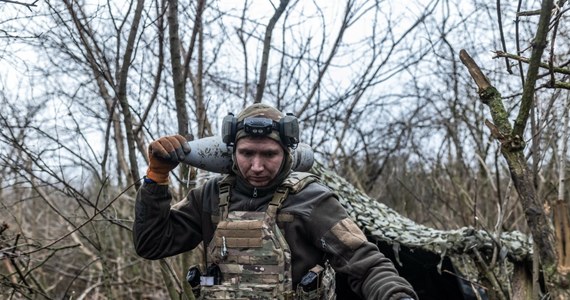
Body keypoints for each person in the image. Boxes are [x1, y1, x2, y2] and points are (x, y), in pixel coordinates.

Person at [133, 103, 418, 300]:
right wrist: (156, 178)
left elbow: (365, 263)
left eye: (269, 154)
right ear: (232, 152)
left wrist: (396, 295)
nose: (257, 166)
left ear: (286, 154)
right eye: (247, 153)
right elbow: (152, 244)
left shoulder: (311, 199)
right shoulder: (209, 197)